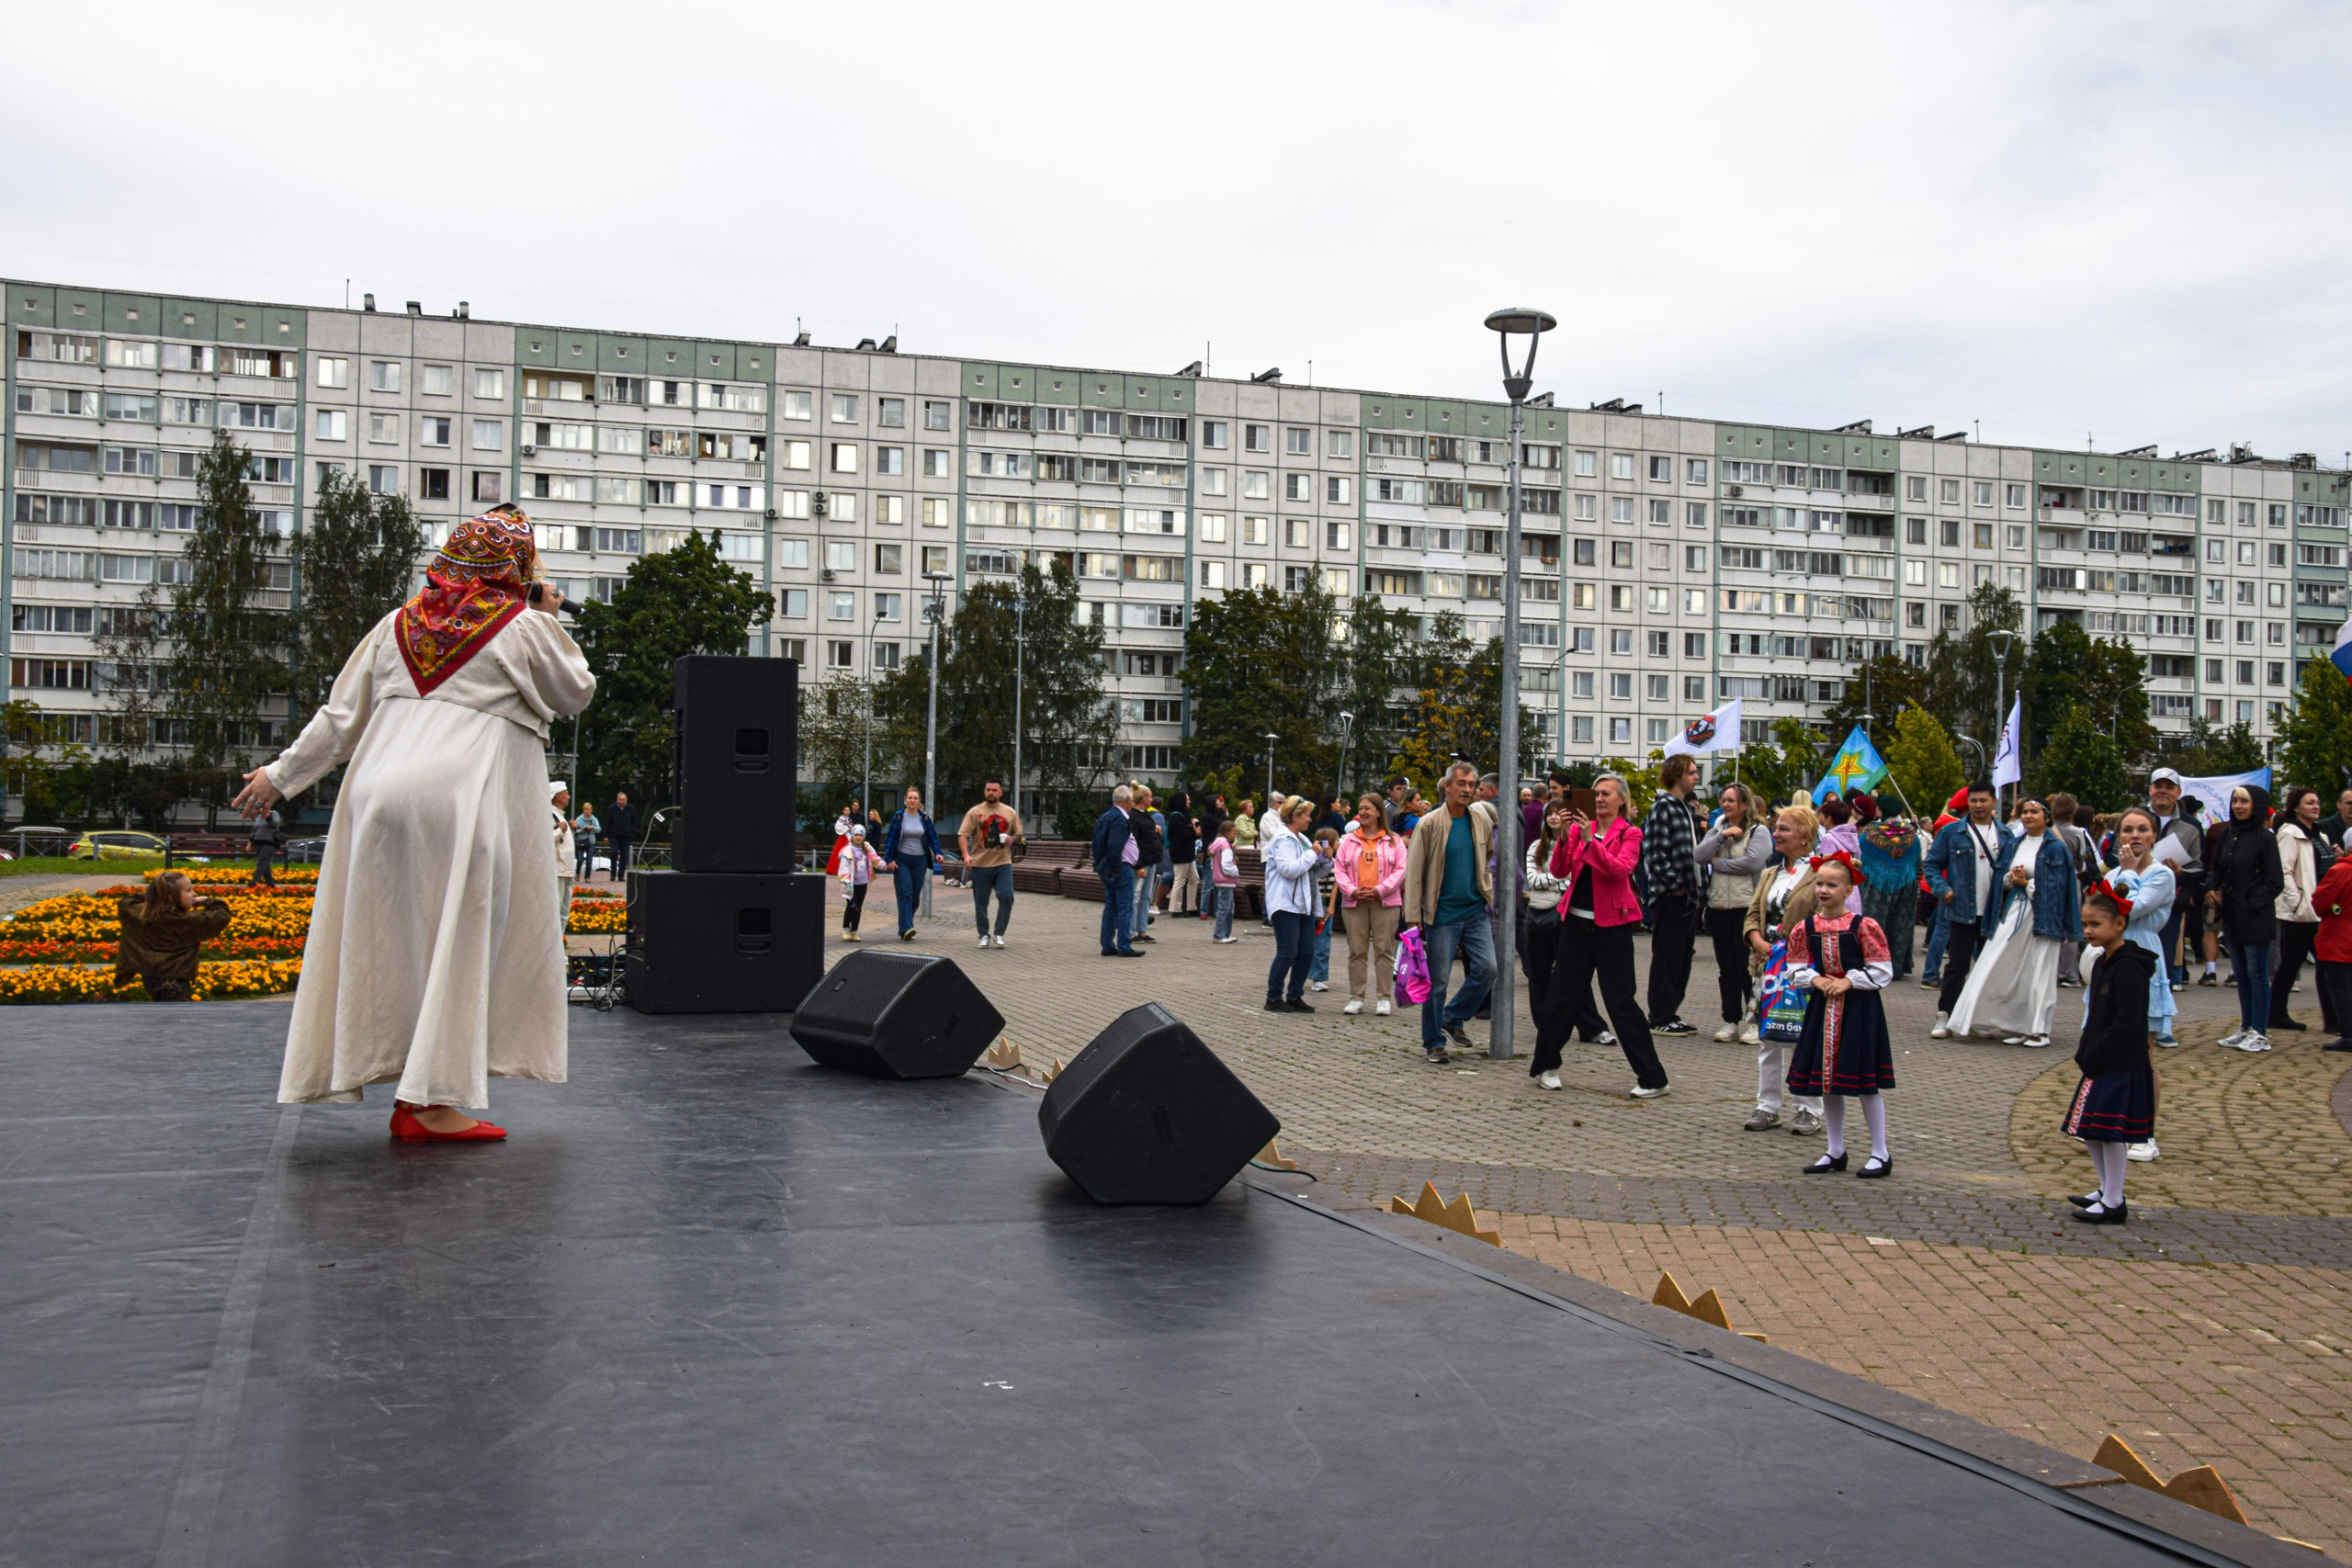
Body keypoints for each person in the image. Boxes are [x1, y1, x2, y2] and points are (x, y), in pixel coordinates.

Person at [232, 504, 594, 1140]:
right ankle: (430, 1103)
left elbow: (340, 718)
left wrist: (279, 778)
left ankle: (400, 1081)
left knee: (390, 946)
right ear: (516, 568)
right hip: (459, 798)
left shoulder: (395, 624)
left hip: (376, 797)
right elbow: (575, 690)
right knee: (460, 941)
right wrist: (545, 613)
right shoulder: (521, 626)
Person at [1532, 774, 1667, 1098]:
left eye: (1606, 794)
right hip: (1576, 925)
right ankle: (1545, 1066)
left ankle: (1653, 1078)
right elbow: (1560, 871)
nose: (1600, 799)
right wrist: (1565, 839)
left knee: (1620, 1002)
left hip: (1613, 927)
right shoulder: (1578, 829)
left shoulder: (1631, 833)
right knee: (1563, 997)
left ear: (1622, 799)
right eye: (1596, 793)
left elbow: (1620, 870)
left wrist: (1592, 843)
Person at [1785, 852, 1896, 1179]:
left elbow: (1882, 970)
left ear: (1848, 890)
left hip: (1859, 1010)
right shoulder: (1806, 927)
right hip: (1822, 1009)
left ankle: (1880, 1152)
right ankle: (1835, 1150)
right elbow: (1796, 968)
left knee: (1865, 1082)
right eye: (1819, 883)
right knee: (1827, 1083)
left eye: (1832, 885)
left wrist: (1849, 980)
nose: (1823, 890)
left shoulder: (1864, 926)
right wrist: (1816, 979)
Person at [1947, 796, 2080, 1049]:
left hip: (2043, 917)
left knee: (2040, 970)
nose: (2029, 816)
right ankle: (2017, 1024)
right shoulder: (2014, 844)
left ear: (2047, 817)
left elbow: (2060, 888)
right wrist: (2011, 878)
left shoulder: (2056, 848)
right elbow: (2001, 881)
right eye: (2025, 812)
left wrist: (2027, 884)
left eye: (2034, 812)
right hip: (2014, 912)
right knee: (2004, 964)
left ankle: (2039, 1030)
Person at [2063, 884, 2157, 1224]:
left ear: (2119, 924)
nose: (2088, 931)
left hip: (2119, 1061)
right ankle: (2106, 1189)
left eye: (2096, 925)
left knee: (2109, 1131)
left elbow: (2129, 1021)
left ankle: (2115, 1200)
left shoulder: (2129, 967)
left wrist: (2099, 1052)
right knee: (2089, 1128)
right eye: (2085, 924)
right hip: (2100, 1059)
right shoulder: (2104, 961)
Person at [1741, 804, 1829, 1135]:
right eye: (1776, 828)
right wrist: (1757, 940)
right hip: (1767, 966)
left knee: (1805, 1038)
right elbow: (1752, 914)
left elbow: (1827, 917)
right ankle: (1767, 1106)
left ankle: (1808, 1107)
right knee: (1769, 1037)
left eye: (1784, 829)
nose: (1775, 834)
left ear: (1806, 835)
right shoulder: (1769, 873)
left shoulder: (1821, 874)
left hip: (1803, 968)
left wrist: (1797, 946)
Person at [1402, 761, 1495, 1065]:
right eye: (1462, 784)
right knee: (1438, 981)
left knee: (1487, 969)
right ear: (1447, 787)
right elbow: (1414, 871)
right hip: (1442, 914)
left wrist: (1486, 888)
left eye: (1471, 785)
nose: (1467, 789)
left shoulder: (1480, 821)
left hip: (1475, 909)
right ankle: (1434, 1041)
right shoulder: (1429, 823)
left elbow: (1488, 854)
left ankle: (1453, 1016)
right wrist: (1413, 917)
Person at [1925, 782, 2005, 1038]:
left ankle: (1976, 1018)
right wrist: (1943, 889)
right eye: (1974, 801)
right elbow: (1932, 864)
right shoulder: (1951, 832)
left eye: (1983, 800)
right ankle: (1944, 1017)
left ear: (1994, 802)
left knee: (1987, 968)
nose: (1978, 805)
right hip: (1961, 910)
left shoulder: (2006, 835)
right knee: (1957, 966)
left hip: (1994, 913)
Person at [2208, 784, 2283, 1052]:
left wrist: (2252, 902)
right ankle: (2246, 1026)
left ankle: (2260, 1031)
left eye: (2245, 801)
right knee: (2240, 972)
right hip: (2231, 914)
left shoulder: (2265, 838)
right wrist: (2211, 888)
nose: (2239, 806)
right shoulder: (2228, 833)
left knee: (2256, 972)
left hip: (2255, 914)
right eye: (2236, 800)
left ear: (2256, 806)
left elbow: (2275, 881)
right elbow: (2216, 868)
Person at [1696, 781, 1770, 1042]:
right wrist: (1720, 837)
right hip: (1718, 908)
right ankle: (1730, 1020)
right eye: (1723, 800)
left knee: (1747, 968)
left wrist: (1719, 863)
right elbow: (1699, 855)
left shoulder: (1759, 831)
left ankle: (1755, 1021)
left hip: (1746, 908)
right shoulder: (1718, 828)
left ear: (1745, 805)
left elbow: (1752, 863)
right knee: (1726, 968)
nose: (1726, 805)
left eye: (1731, 801)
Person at [1641, 754, 1704, 1036]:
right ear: (1676, 774)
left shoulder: (1685, 808)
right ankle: (1659, 1016)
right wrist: (1674, 886)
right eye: (1691, 772)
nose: (1696, 776)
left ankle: (1671, 1013)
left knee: (1681, 958)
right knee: (1667, 957)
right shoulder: (1662, 807)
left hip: (1689, 896)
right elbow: (1654, 853)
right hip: (1671, 897)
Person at [1335, 793, 1406, 1016]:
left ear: (1378, 812)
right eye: (1361, 808)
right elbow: (1339, 870)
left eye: (1368, 808)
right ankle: (1356, 998)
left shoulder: (1394, 840)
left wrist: (1380, 890)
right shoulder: (1348, 841)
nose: (1363, 812)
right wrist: (1352, 891)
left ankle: (1383, 998)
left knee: (1384, 950)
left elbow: (1400, 871)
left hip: (1385, 902)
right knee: (1357, 951)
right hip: (1354, 903)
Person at [115, 870, 232, 1002]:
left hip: (149, 978)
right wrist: (207, 901)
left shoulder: (138, 914)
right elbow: (222, 915)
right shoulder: (184, 921)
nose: (193, 894)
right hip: (175, 982)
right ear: (171, 898)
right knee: (177, 1019)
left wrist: (157, 894)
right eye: (188, 891)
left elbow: (126, 901)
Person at [2270, 784, 2324, 1033]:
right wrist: (2296, 901)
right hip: (2302, 909)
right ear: (2295, 807)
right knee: (2292, 961)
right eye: (2309, 802)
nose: (2315, 806)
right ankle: (2277, 1012)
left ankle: (2333, 1015)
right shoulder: (2290, 833)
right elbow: (2283, 870)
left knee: (2312, 961)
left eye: (2317, 802)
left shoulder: (2318, 834)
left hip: (2321, 907)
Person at [1262, 798, 1321, 1012]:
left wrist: (1325, 860)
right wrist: (1312, 854)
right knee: (1287, 951)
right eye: (1306, 815)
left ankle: (1295, 995)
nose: (1310, 819)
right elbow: (1289, 870)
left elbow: (1312, 871)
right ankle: (1273, 997)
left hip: (1304, 903)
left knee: (1306, 952)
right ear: (1295, 816)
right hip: (1285, 903)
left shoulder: (1302, 839)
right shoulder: (1282, 838)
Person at [2147, 768, 2203, 987]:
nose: (2163, 791)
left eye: (2169, 787)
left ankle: (2162, 1014)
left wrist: (2181, 873)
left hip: (2170, 902)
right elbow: (2112, 858)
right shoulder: (2135, 816)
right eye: (2158, 786)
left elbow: (2200, 868)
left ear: (2178, 792)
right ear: (2150, 789)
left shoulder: (2191, 826)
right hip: (2136, 897)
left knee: (2165, 959)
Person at [959, 780, 1023, 950]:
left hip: (1003, 863)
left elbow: (1018, 833)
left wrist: (1013, 839)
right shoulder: (975, 812)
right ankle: (983, 935)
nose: (991, 793)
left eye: (995, 790)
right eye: (988, 789)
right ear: (984, 791)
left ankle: (999, 933)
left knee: (1007, 896)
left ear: (1001, 793)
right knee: (981, 902)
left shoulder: (1009, 812)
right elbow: (963, 834)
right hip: (980, 864)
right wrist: (966, 855)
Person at [1917, 787, 1968, 987]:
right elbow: (1933, 862)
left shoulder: (1944, 826)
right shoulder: (1954, 829)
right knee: (1946, 931)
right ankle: (1931, 974)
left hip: (1946, 886)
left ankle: (1930, 974)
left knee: (1941, 929)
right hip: (1952, 887)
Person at [879, 785, 943, 942]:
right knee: (905, 892)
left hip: (920, 860)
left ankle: (907, 925)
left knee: (915, 898)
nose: (912, 801)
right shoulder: (899, 817)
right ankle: (906, 928)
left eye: (915, 798)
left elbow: (932, 837)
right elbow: (891, 839)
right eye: (910, 798)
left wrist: (938, 853)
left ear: (919, 800)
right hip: (902, 859)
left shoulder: (924, 818)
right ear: (905, 800)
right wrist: (888, 859)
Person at [1090, 785, 1145, 957]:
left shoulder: (1104, 817)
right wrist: (1116, 870)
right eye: (1132, 799)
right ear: (1127, 800)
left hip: (1108, 868)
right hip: (1120, 868)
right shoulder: (1120, 819)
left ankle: (1107, 944)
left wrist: (1101, 867)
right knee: (1124, 907)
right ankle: (1124, 945)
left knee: (1111, 907)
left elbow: (1096, 844)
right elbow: (1115, 846)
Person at [2312, 849, 2352, 1051]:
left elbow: (2320, 903)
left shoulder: (2341, 870)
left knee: (2341, 989)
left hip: (2340, 938)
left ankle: (2348, 1035)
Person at [1127, 784, 1166, 944]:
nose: (1152, 799)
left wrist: (1155, 831)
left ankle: (1142, 930)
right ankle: (1131, 932)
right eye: (1150, 796)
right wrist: (1138, 865)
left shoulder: (1146, 815)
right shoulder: (1134, 816)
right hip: (1142, 861)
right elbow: (1134, 842)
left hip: (1152, 859)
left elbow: (1149, 836)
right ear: (1143, 798)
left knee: (1145, 897)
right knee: (1135, 897)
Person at [1306, 826, 1340, 992]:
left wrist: (1332, 906)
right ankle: (1305, 973)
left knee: (1323, 942)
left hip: (1326, 906)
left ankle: (1318, 978)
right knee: (1308, 942)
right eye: (1337, 840)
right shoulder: (1313, 859)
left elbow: (1335, 884)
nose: (1339, 843)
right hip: (1311, 906)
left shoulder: (1335, 861)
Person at [838, 824, 877, 941]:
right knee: (852, 905)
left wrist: (885, 865)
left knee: (859, 907)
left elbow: (876, 859)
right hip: (850, 884)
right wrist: (846, 882)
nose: (858, 838)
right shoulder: (847, 851)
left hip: (863, 883)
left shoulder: (867, 849)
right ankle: (845, 928)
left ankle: (854, 930)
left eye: (861, 835)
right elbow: (843, 869)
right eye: (856, 835)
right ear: (852, 837)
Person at [1206, 818, 1240, 943]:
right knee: (1225, 908)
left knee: (1228, 907)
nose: (1235, 836)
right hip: (1226, 879)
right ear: (1227, 832)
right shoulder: (1225, 845)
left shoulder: (1217, 843)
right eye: (1234, 833)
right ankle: (1219, 935)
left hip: (1220, 879)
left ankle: (1225, 933)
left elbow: (1213, 863)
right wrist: (1235, 872)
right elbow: (1226, 865)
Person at [1166, 792, 1200, 916]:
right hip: (1180, 854)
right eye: (1187, 799)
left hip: (1187, 854)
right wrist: (1194, 833)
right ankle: (1175, 909)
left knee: (1194, 878)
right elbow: (1183, 835)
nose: (1189, 802)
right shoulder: (1177, 817)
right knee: (1180, 880)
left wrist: (1192, 833)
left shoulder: (1183, 815)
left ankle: (1191, 907)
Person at [549, 782, 574, 931]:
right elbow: (545, 839)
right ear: (559, 796)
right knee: (556, 911)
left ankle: (559, 949)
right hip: (558, 870)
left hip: (567, 870)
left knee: (564, 913)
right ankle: (553, 951)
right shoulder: (550, 815)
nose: (569, 797)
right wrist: (560, 831)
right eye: (566, 793)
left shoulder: (561, 817)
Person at [248, 805, 285, 886]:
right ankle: (271, 884)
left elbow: (275, 824)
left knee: (262, 862)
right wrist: (250, 843)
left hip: (270, 843)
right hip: (258, 843)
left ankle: (253, 882)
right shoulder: (258, 818)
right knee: (265, 864)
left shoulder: (273, 814)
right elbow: (254, 830)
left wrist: (267, 816)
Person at [607, 791, 639, 884]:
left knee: (624, 856)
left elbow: (635, 821)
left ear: (626, 800)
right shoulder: (612, 808)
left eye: (624, 800)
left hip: (626, 836)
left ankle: (621, 875)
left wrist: (630, 829)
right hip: (614, 836)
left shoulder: (631, 808)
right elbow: (608, 822)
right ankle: (613, 873)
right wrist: (607, 834)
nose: (622, 801)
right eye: (620, 800)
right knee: (614, 852)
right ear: (617, 800)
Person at [827, 800, 860, 876]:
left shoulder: (848, 819)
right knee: (840, 852)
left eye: (848, 810)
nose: (847, 812)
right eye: (846, 810)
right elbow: (838, 827)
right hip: (844, 837)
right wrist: (847, 829)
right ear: (843, 811)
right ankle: (835, 869)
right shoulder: (842, 819)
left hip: (849, 836)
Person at [571, 799, 601, 881]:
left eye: (588, 809)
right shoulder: (579, 819)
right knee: (580, 859)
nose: (587, 811)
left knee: (589, 860)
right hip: (580, 842)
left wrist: (592, 827)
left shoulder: (593, 819)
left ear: (591, 810)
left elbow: (599, 829)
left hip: (591, 842)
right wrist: (582, 831)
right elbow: (574, 831)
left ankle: (587, 877)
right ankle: (577, 873)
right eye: (585, 809)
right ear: (583, 810)